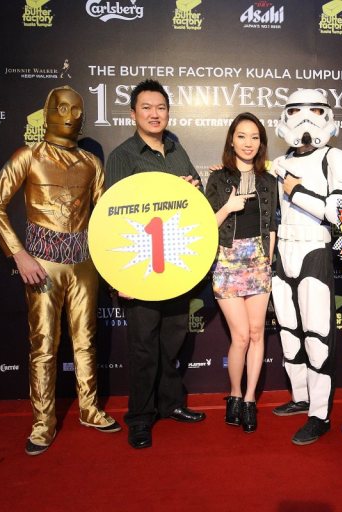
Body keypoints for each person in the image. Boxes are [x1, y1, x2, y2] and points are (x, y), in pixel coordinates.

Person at [0, 85, 120, 456]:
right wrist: (19, 254)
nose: (70, 116)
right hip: (42, 264)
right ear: (46, 112)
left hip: (85, 263)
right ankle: (43, 423)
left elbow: (107, 216)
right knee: (44, 345)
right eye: (62, 108)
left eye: (77, 110)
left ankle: (90, 409)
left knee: (86, 341)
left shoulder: (91, 163)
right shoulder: (28, 156)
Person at [105, 79, 206, 450]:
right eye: (146, 107)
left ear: (168, 112)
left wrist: (192, 187)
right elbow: (112, 219)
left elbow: (194, 198)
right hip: (139, 267)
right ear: (133, 113)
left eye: (160, 107)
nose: (154, 114)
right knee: (144, 346)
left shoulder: (177, 149)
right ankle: (140, 417)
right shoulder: (123, 156)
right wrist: (118, 275)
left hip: (176, 263)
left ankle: (171, 403)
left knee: (173, 339)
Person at [270, 89, 342, 445]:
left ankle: (319, 414)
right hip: (283, 251)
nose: (305, 119)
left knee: (317, 335)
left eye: (315, 111)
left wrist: (296, 189)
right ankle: (301, 397)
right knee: (289, 331)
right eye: (296, 111)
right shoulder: (279, 160)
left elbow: (338, 212)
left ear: (328, 116)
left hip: (314, 249)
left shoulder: (336, 157)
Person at [205, 113, 277, 433]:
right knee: (242, 336)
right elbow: (206, 225)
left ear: (261, 143)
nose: (248, 143)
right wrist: (228, 207)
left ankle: (249, 400)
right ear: (231, 140)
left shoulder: (268, 181)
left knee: (258, 333)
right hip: (227, 260)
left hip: (258, 261)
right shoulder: (218, 178)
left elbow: (271, 226)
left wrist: (267, 262)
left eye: (255, 137)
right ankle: (234, 394)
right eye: (242, 136)